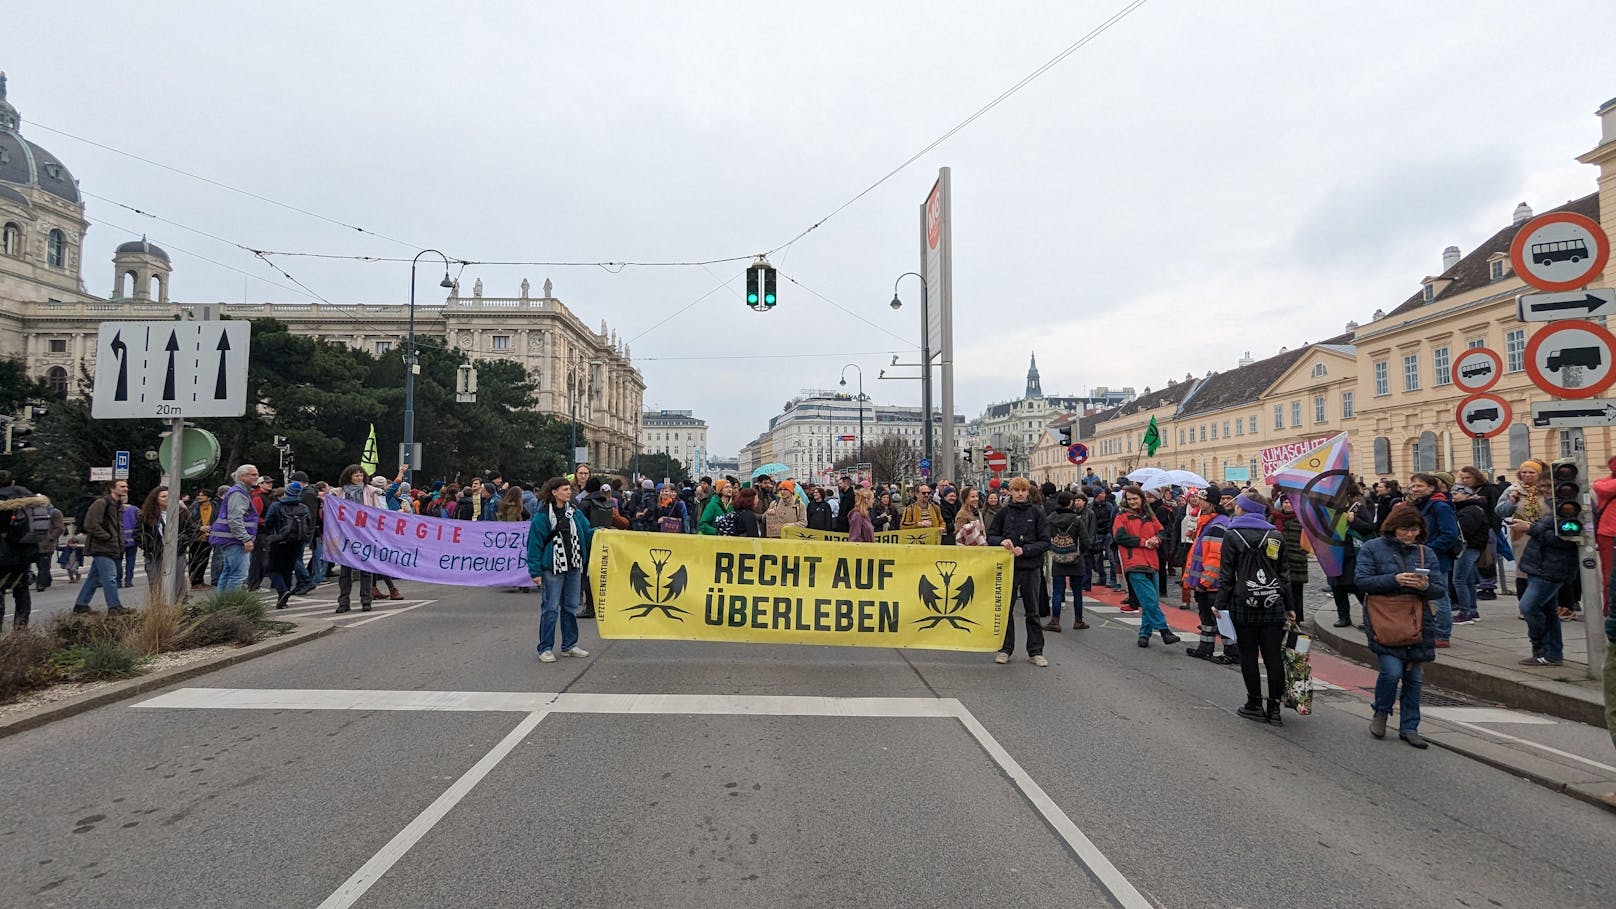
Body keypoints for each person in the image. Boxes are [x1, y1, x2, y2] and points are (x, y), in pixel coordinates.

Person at [1355, 502, 1442, 748]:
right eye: (1405, 529)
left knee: (1414, 678)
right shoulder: (1373, 548)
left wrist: (1424, 586)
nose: (1410, 535)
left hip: (1417, 620)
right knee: (1392, 672)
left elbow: (1439, 590)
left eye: (1414, 530)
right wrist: (1394, 579)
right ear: (1393, 528)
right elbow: (1362, 581)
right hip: (1384, 618)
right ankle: (1381, 711)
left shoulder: (1426, 553)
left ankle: (1410, 726)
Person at [1215, 491, 1295, 725]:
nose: (1235, 508)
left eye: (1238, 505)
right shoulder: (1275, 535)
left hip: (1244, 602)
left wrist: (1219, 603)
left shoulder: (1232, 535)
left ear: (1244, 509)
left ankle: (1254, 704)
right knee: (1273, 656)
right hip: (1272, 602)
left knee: (1248, 654)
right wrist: (1289, 606)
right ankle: (1275, 709)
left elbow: (1227, 575)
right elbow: (1284, 574)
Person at [527, 476, 594, 663]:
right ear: (554, 492)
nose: (569, 492)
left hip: (573, 565)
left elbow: (587, 532)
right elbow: (534, 545)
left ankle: (569, 645)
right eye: (565, 489)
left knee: (571, 606)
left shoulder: (574, 512)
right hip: (552, 567)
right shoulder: (542, 516)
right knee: (550, 608)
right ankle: (545, 647)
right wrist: (535, 572)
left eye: (569, 489)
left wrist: (602, 533)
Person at [1511, 488, 1580, 667]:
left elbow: (1567, 539)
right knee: (1548, 610)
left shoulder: (1571, 509)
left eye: (1550, 487)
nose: (1546, 491)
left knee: (1529, 607)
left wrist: (1529, 528)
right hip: (1541, 565)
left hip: (1551, 569)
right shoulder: (1554, 508)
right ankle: (1551, 653)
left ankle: (1543, 649)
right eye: (1544, 487)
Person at [988, 477, 1051, 667]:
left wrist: (1026, 550)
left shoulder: (1037, 513)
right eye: (1016, 491)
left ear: (1028, 492)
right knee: (1005, 610)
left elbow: (1045, 541)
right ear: (1011, 492)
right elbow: (991, 535)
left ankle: (1036, 651)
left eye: (1023, 491)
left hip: (1031, 567)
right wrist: (1002, 541)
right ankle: (1005, 648)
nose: (1020, 494)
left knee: (1032, 611)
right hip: (1008, 568)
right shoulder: (1004, 513)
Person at [1114, 485, 1179, 648]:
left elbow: (1161, 531)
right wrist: (1144, 542)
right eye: (1129, 499)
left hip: (1152, 561)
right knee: (1149, 599)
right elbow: (1120, 537)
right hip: (1133, 562)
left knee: (1150, 600)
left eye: (1135, 498)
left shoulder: (1150, 516)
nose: (1132, 502)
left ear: (1141, 498)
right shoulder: (1121, 517)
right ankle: (1165, 631)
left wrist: (1157, 539)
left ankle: (1144, 634)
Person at [1406, 472, 1458, 647]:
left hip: (1436, 558)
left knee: (1439, 596)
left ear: (1431, 487)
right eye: (1413, 486)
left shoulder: (1439, 506)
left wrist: (1427, 550)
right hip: (1419, 556)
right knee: (1423, 595)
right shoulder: (1419, 505)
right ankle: (1427, 630)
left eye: (1419, 486)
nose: (1415, 489)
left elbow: (1450, 534)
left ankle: (1443, 635)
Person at [0, 470, 48, 630]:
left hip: (4, 553)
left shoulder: (2, 499)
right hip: (26, 552)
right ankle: (21, 630)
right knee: (21, 591)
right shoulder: (28, 496)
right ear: (12, 482)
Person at [74, 479, 130, 615]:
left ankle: (81, 605)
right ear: (112, 488)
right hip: (102, 547)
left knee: (94, 578)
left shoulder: (117, 505)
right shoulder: (101, 503)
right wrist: (107, 537)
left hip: (110, 547)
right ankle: (114, 607)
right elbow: (91, 524)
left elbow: (117, 526)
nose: (126, 489)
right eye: (122, 486)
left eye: (126, 486)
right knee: (110, 577)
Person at [1496, 459, 1549, 598]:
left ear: (1540, 474)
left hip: (1546, 534)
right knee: (1523, 570)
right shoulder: (1513, 489)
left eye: (1532, 472)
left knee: (1547, 569)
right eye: (1524, 472)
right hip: (1522, 537)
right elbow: (1500, 511)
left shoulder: (1547, 488)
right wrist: (1512, 502)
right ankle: (1524, 606)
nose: (1527, 475)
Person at [135, 485, 195, 606]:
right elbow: (138, 535)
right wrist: (151, 546)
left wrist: (181, 544)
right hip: (155, 556)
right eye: (163, 496)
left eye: (169, 495)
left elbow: (191, 531)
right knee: (157, 586)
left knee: (178, 585)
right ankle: (160, 610)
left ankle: (180, 610)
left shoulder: (181, 513)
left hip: (177, 555)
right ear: (155, 499)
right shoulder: (146, 515)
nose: (167, 498)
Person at [260, 481, 314, 609]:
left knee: (274, 569)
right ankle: (284, 598)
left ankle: (282, 591)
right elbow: (309, 523)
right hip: (297, 542)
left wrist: (271, 535)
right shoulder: (303, 507)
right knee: (288, 569)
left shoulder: (276, 506)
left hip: (278, 541)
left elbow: (268, 523)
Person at [208, 465, 260, 593]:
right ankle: (231, 604)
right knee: (238, 574)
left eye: (256, 474)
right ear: (242, 476)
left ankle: (222, 603)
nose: (256, 477)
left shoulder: (238, 492)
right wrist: (246, 539)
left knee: (228, 572)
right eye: (252, 474)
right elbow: (235, 519)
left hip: (230, 539)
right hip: (235, 540)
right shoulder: (238, 493)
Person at [1045, 491, 1091, 631]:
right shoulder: (1077, 520)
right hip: (1075, 559)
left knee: (1058, 591)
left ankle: (1055, 620)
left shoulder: (1050, 519)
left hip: (1058, 558)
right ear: (1070, 502)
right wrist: (1081, 553)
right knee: (1077, 592)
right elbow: (1084, 541)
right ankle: (1078, 620)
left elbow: (1046, 538)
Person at [1450, 484, 1489, 626]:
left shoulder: (1469, 510)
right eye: (1452, 492)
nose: (1453, 494)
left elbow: (1463, 531)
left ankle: (1465, 612)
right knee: (1469, 580)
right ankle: (1472, 610)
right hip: (1473, 546)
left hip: (1467, 547)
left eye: (1457, 492)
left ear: (1467, 495)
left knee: (1459, 580)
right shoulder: (1473, 508)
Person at [1269, 494, 1310, 626]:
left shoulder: (1302, 519)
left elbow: (1308, 540)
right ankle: (1280, 616)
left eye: (1291, 502)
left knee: (1296, 592)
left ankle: (1297, 619)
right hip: (1277, 562)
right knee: (1279, 590)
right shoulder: (1274, 518)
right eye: (1286, 502)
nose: (1288, 505)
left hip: (1297, 561)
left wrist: (1302, 552)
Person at [119, 496, 139, 588]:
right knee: (130, 561)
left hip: (119, 540)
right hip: (132, 540)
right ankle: (128, 580)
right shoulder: (134, 509)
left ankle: (118, 580)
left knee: (118, 561)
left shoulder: (114, 510)